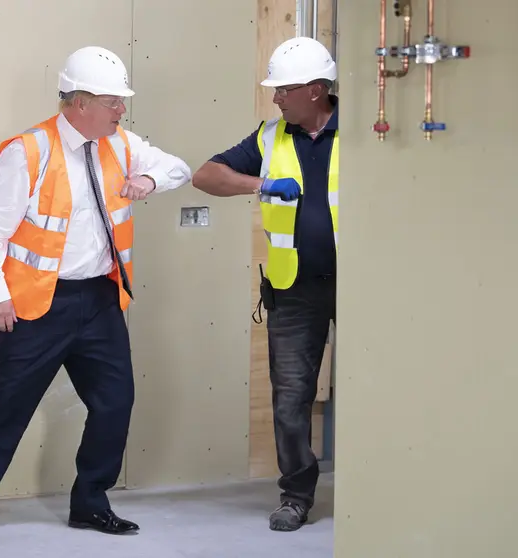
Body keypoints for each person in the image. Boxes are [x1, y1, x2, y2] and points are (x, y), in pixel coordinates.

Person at [0, 46, 192, 543]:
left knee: (115, 403)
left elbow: (178, 167)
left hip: (100, 301)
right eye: (114, 101)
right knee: (6, 407)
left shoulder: (121, 144)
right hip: (37, 306)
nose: (122, 110)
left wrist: (150, 178)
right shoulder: (28, 152)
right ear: (80, 103)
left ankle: (90, 503)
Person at [191, 36, 338, 532]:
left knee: (379, 389)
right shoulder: (270, 137)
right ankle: (296, 495)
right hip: (294, 289)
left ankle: (381, 487)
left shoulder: (366, 132)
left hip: (364, 288)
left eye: (284, 89)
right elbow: (206, 175)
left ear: (316, 90)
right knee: (291, 396)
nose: (276, 98)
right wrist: (261, 184)